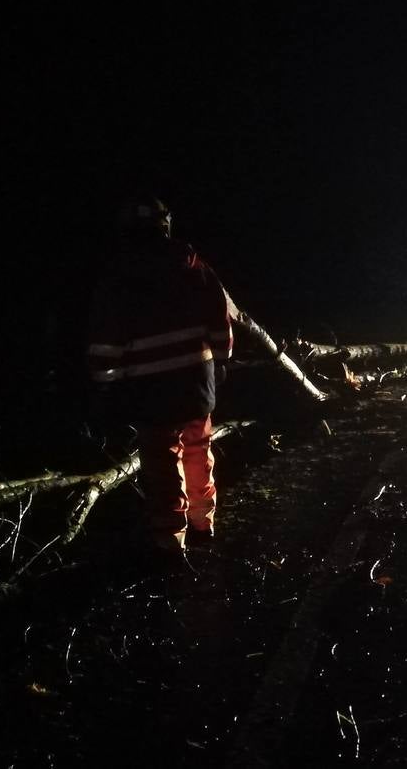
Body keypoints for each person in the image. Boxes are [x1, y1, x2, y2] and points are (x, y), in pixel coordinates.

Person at [87, 194, 239, 554]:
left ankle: (172, 539)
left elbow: (106, 341)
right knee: (199, 448)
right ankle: (203, 522)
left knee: (162, 460)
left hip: (150, 388)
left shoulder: (118, 279)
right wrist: (220, 361)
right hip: (196, 380)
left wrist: (105, 386)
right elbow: (220, 318)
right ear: (165, 227)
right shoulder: (193, 266)